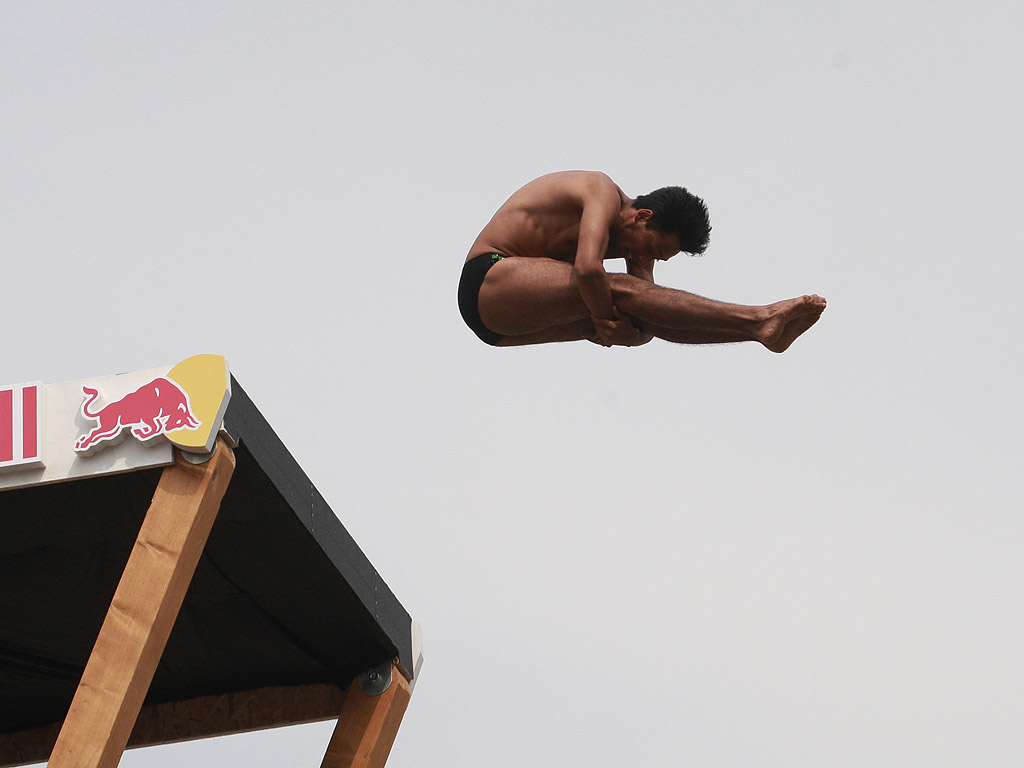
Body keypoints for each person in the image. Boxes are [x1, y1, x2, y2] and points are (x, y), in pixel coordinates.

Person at [458, 170, 826, 350]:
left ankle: (756, 333)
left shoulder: (638, 244)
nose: (644, 258)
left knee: (625, 297)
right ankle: (758, 316)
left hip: (505, 332)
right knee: (613, 286)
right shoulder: (599, 191)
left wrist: (626, 335)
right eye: (652, 249)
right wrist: (608, 322)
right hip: (488, 279)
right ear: (643, 216)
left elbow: (647, 323)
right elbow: (588, 270)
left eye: (658, 258)